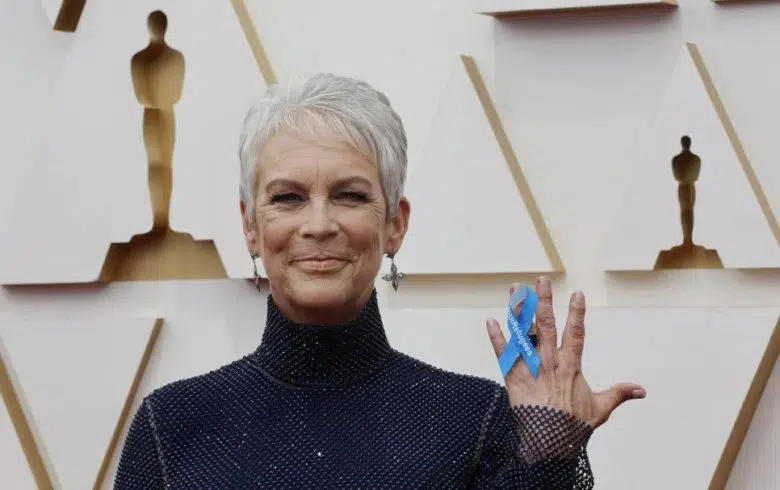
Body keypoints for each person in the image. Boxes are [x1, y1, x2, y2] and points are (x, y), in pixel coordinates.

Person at [113, 73, 646, 489]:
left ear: (396, 224)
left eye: (350, 195)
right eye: (287, 197)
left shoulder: (478, 420)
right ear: (250, 226)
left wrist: (548, 454)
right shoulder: (173, 425)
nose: (319, 225)